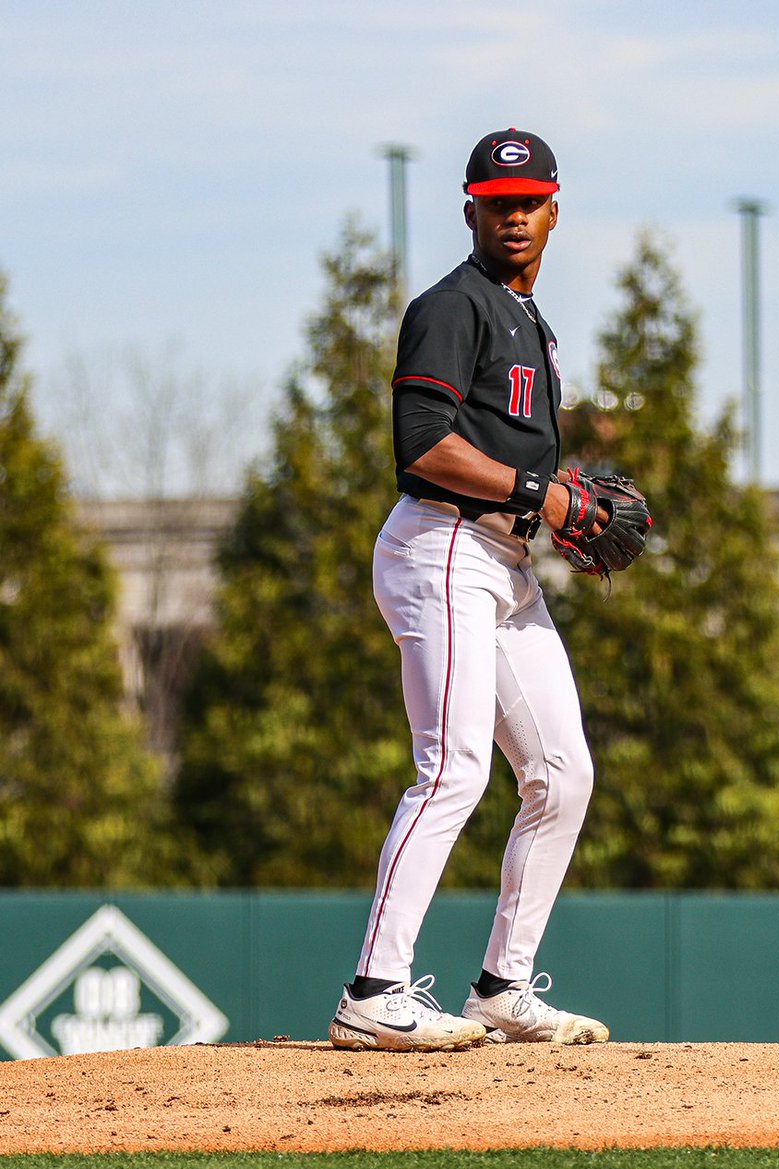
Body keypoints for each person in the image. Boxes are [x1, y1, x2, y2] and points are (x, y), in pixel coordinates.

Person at [328, 127, 609, 1051]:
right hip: (442, 546)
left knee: (562, 774)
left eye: (527, 201)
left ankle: (502, 986)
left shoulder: (527, 316)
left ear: (554, 208)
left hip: (505, 563)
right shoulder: (452, 306)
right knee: (453, 767)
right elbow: (423, 445)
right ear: (470, 210)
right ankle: (375, 989)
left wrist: (551, 509)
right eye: (496, 202)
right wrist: (544, 492)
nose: (513, 215)